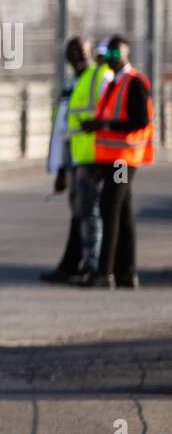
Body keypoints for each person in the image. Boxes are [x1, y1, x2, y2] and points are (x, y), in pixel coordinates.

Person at [75, 35, 155, 288]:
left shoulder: (135, 82)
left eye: (114, 54)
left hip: (123, 160)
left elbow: (140, 121)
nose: (109, 59)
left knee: (110, 207)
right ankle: (126, 272)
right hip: (111, 158)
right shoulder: (113, 83)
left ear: (125, 54)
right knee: (122, 210)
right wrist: (97, 125)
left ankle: (105, 272)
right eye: (107, 54)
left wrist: (104, 124)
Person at [41, 37, 110, 283]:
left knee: (90, 211)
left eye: (81, 51)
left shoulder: (100, 77)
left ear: (91, 52)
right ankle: (78, 263)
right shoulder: (71, 84)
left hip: (93, 156)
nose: (76, 56)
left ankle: (94, 265)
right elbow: (62, 127)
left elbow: (110, 115)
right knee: (79, 212)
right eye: (71, 52)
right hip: (74, 157)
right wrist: (60, 170)